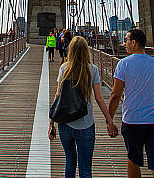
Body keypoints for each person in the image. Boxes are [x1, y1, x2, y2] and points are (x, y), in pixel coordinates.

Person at [48, 36, 118, 178]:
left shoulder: (64, 68)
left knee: (70, 161)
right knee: (85, 169)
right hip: (86, 124)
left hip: (65, 123)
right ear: (86, 51)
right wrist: (110, 121)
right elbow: (99, 98)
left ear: (70, 51)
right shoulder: (92, 69)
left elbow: (58, 95)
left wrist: (51, 123)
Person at [107, 28, 154, 178]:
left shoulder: (123, 64)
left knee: (133, 159)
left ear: (133, 43)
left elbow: (115, 95)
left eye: (126, 40)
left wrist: (109, 120)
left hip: (134, 121)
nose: (124, 44)